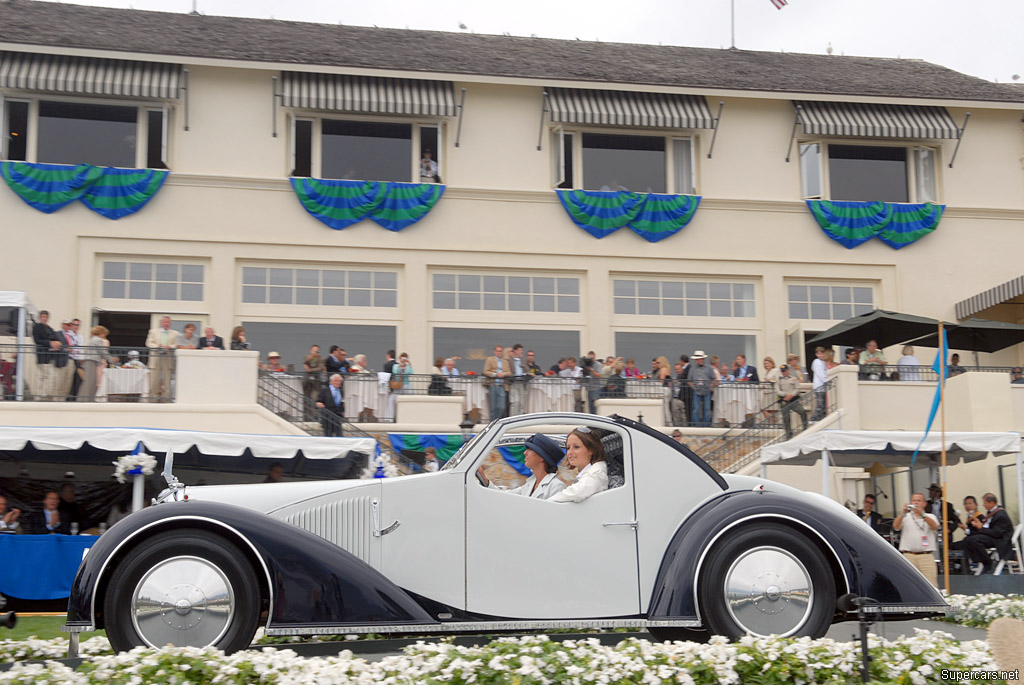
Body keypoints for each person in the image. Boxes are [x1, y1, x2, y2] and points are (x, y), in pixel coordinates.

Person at [478, 433, 566, 499]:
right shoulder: (530, 485)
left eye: (530, 449)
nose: (525, 453)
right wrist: (485, 480)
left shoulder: (556, 487)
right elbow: (505, 497)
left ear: (542, 457)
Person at [892, 492, 939, 588]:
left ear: (924, 503)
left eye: (919, 501)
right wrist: (903, 513)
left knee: (931, 584)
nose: (916, 503)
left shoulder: (930, 516)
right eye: (914, 500)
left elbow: (934, 527)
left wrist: (922, 515)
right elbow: (896, 527)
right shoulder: (906, 517)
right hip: (909, 555)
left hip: (926, 556)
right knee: (908, 584)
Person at [549, 427, 608, 503]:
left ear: (591, 450)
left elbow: (576, 493)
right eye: (568, 448)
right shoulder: (588, 473)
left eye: (576, 447)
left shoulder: (596, 474)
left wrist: (547, 503)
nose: (570, 452)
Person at [962, 493, 1014, 574]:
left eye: (985, 503)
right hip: (993, 537)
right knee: (967, 540)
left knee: (974, 540)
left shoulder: (1000, 515)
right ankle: (979, 561)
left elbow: (997, 533)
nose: (983, 505)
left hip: (999, 540)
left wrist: (980, 528)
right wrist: (980, 526)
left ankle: (988, 562)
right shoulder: (991, 513)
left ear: (992, 503)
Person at [145, 315, 178, 400]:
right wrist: (157, 346)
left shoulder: (175, 333)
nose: (166, 324)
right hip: (156, 357)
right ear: (161, 323)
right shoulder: (153, 332)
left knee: (167, 380)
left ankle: (166, 398)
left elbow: (176, 344)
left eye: (168, 322)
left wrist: (170, 346)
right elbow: (148, 343)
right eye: (164, 322)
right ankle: (153, 398)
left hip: (167, 358)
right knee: (153, 379)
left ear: (170, 323)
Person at [32, 309, 61, 398]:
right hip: (42, 355)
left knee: (49, 376)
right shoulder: (37, 327)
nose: (44, 319)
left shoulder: (50, 329)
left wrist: (57, 343)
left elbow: (56, 339)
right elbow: (37, 340)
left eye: (46, 317)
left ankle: (47, 394)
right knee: (42, 376)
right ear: (40, 318)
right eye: (43, 317)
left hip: (50, 356)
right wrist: (50, 343)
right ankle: (40, 395)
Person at [81, 325, 114, 399]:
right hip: (91, 361)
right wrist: (111, 359)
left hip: (91, 361)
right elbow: (102, 351)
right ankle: (84, 399)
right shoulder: (98, 340)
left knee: (92, 381)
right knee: (90, 381)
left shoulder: (93, 339)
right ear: (101, 333)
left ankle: (88, 398)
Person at [925, 483, 960, 547]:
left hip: (943, 533)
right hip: (929, 531)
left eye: (932, 491)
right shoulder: (926, 504)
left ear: (938, 493)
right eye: (930, 491)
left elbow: (957, 521)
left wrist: (949, 529)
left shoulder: (947, 505)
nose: (930, 493)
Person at [776, 364, 807, 438]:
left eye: (785, 371)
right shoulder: (779, 380)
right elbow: (777, 390)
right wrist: (785, 394)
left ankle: (805, 427)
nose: (784, 372)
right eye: (782, 371)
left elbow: (797, 388)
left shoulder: (794, 378)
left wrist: (791, 395)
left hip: (793, 400)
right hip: (784, 400)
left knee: (802, 411)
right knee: (786, 418)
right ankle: (788, 434)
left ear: (788, 370)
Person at [688, 351, 716, 427]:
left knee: (707, 409)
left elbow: (714, 378)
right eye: (696, 359)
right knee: (696, 409)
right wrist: (693, 387)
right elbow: (689, 381)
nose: (698, 360)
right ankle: (697, 426)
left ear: (702, 359)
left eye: (699, 359)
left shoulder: (709, 368)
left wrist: (710, 386)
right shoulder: (692, 369)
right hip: (697, 390)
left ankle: (706, 425)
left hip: (707, 390)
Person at [483, 345, 509, 420]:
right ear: (494, 352)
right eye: (498, 351)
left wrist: (504, 374)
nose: (499, 353)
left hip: (502, 386)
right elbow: (485, 371)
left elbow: (509, 372)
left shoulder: (505, 361)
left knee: (501, 407)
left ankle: (496, 421)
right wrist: (495, 374)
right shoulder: (489, 359)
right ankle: (492, 424)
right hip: (493, 384)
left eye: (501, 351)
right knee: (493, 407)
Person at [809, 346, 828, 422]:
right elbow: (821, 374)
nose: (821, 355)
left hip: (822, 386)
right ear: (816, 354)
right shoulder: (817, 362)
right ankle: (813, 419)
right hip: (819, 386)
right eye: (819, 353)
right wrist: (826, 381)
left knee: (823, 404)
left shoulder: (823, 362)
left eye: (822, 353)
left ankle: (820, 419)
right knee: (820, 404)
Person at [303, 344, 323, 410]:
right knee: (306, 398)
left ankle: (314, 415)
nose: (315, 352)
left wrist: (310, 370)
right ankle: (306, 415)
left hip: (316, 382)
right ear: (310, 351)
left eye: (317, 351)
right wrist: (310, 358)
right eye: (313, 351)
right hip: (307, 381)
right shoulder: (307, 357)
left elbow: (319, 368)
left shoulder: (321, 359)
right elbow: (305, 364)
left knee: (314, 398)